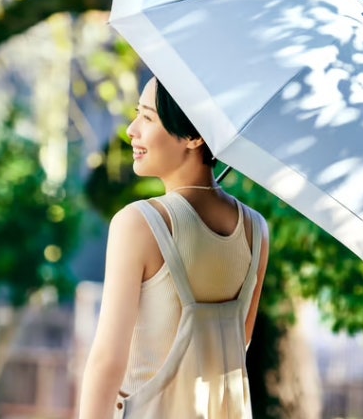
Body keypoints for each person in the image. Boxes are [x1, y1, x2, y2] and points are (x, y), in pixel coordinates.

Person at [77, 76, 270, 418]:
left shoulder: (140, 223)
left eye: (148, 118)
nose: (131, 130)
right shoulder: (256, 230)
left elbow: (107, 361)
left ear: (195, 137)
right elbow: (237, 344)